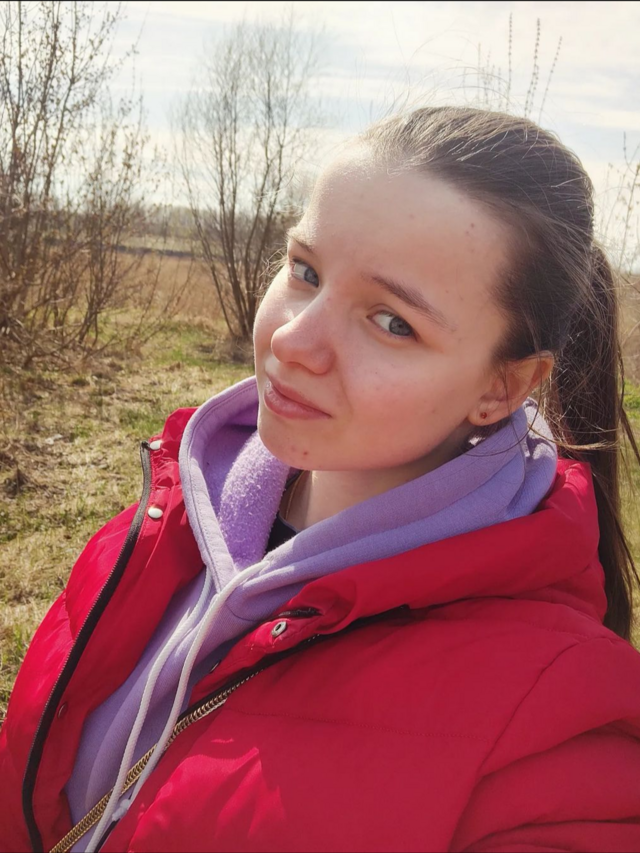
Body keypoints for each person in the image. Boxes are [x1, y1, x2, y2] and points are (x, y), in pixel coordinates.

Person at [2, 105, 640, 853]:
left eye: (392, 322)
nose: (293, 340)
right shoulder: (169, 516)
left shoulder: (552, 730)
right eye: (305, 271)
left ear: (503, 387)